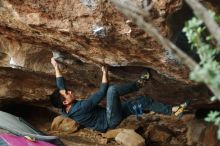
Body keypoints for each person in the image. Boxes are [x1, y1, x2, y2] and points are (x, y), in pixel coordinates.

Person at [49, 58, 190, 132]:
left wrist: (56, 67)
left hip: (111, 116)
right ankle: (138, 85)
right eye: (67, 94)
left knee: (143, 101)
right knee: (112, 91)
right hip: (110, 120)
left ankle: (175, 111)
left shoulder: (64, 109)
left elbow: (60, 85)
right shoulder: (80, 107)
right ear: (65, 102)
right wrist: (105, 72)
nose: (69, 91)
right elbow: (102, 92)